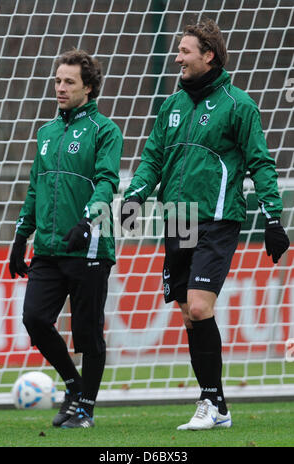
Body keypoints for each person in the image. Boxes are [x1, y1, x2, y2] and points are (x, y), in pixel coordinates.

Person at [121, 18, 289, 430]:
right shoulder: (171, 105)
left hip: (217, 218)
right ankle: (217, 406)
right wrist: (135, 196)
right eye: (177, 50)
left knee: (200, 305)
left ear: (207, 55)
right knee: (188, 314)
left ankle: (210, 403)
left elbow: (261, 163)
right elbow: (153, 158)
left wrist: (273, 217)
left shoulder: (239, 105)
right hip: (177, 217)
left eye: (184, 51)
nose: (176, 58)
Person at [9, 49, 123, 428]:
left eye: (68, 81)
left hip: (88, 246)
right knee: (35, 318)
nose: (60, 87)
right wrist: (20, 235)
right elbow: (34, 188)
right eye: (58, 80)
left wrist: (89, 219)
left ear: (88, 88)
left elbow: (108, 181)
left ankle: (85, 410)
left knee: (87, 334)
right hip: (48, 247)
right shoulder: (46, 132)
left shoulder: (105, 131)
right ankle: (74, 387)